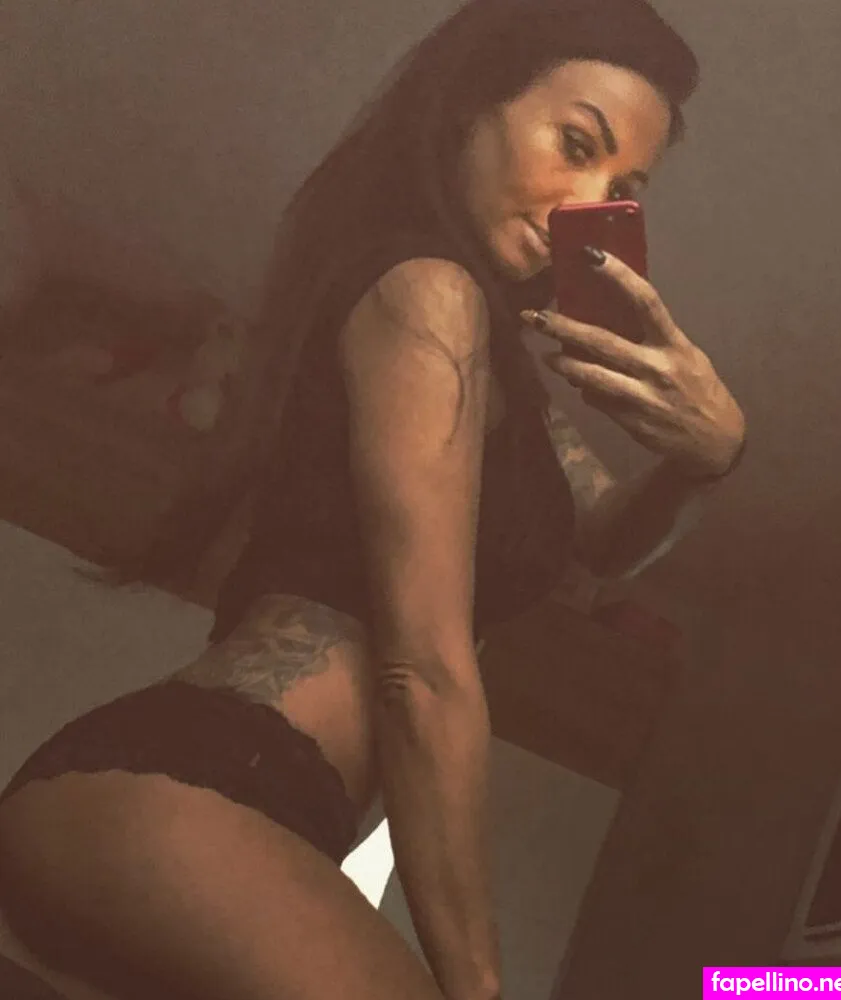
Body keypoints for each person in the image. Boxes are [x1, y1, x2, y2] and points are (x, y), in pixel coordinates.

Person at [0, 0, 746, 997]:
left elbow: (606, 541)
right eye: (576, 145)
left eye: (619, 190)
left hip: (270, 810)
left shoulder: (501, 375)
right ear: (469, 102)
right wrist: (478, 986)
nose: (586, 203)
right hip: (202, 778)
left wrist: (705, 461)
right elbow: (421, 671)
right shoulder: (426, 291)